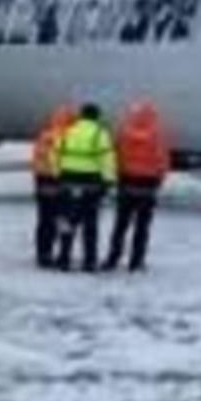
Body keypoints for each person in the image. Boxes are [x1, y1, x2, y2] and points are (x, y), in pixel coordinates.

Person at [102, 99, 171, 272]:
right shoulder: (157, 134)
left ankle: (113, 258)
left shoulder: (124, 132)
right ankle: (136, 261)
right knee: (142, 227)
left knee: (121, 225)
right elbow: (162, 160)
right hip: (147, 186)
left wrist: (117, 176)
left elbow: (115, 154)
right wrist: (159, 179)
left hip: (126, 183)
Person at [54, 102, 117, 271]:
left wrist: (57, 173)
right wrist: (109, 180)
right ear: (97, 116)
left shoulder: (68, 131)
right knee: (90, 224)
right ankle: (89, 261)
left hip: (67, 180)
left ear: (81, 116)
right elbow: (107, 158)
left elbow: (56, 152)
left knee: (67, 221)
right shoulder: (99, 133)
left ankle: (63, 258)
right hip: (91, 183)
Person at [30, 103, 78, 268]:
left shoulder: (45, 136)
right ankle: (64, 255)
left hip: (43, 181)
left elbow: (36, 158)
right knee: (64, 220)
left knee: (44, 221)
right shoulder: (71, 137)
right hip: (63, 182)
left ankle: (43, 254)